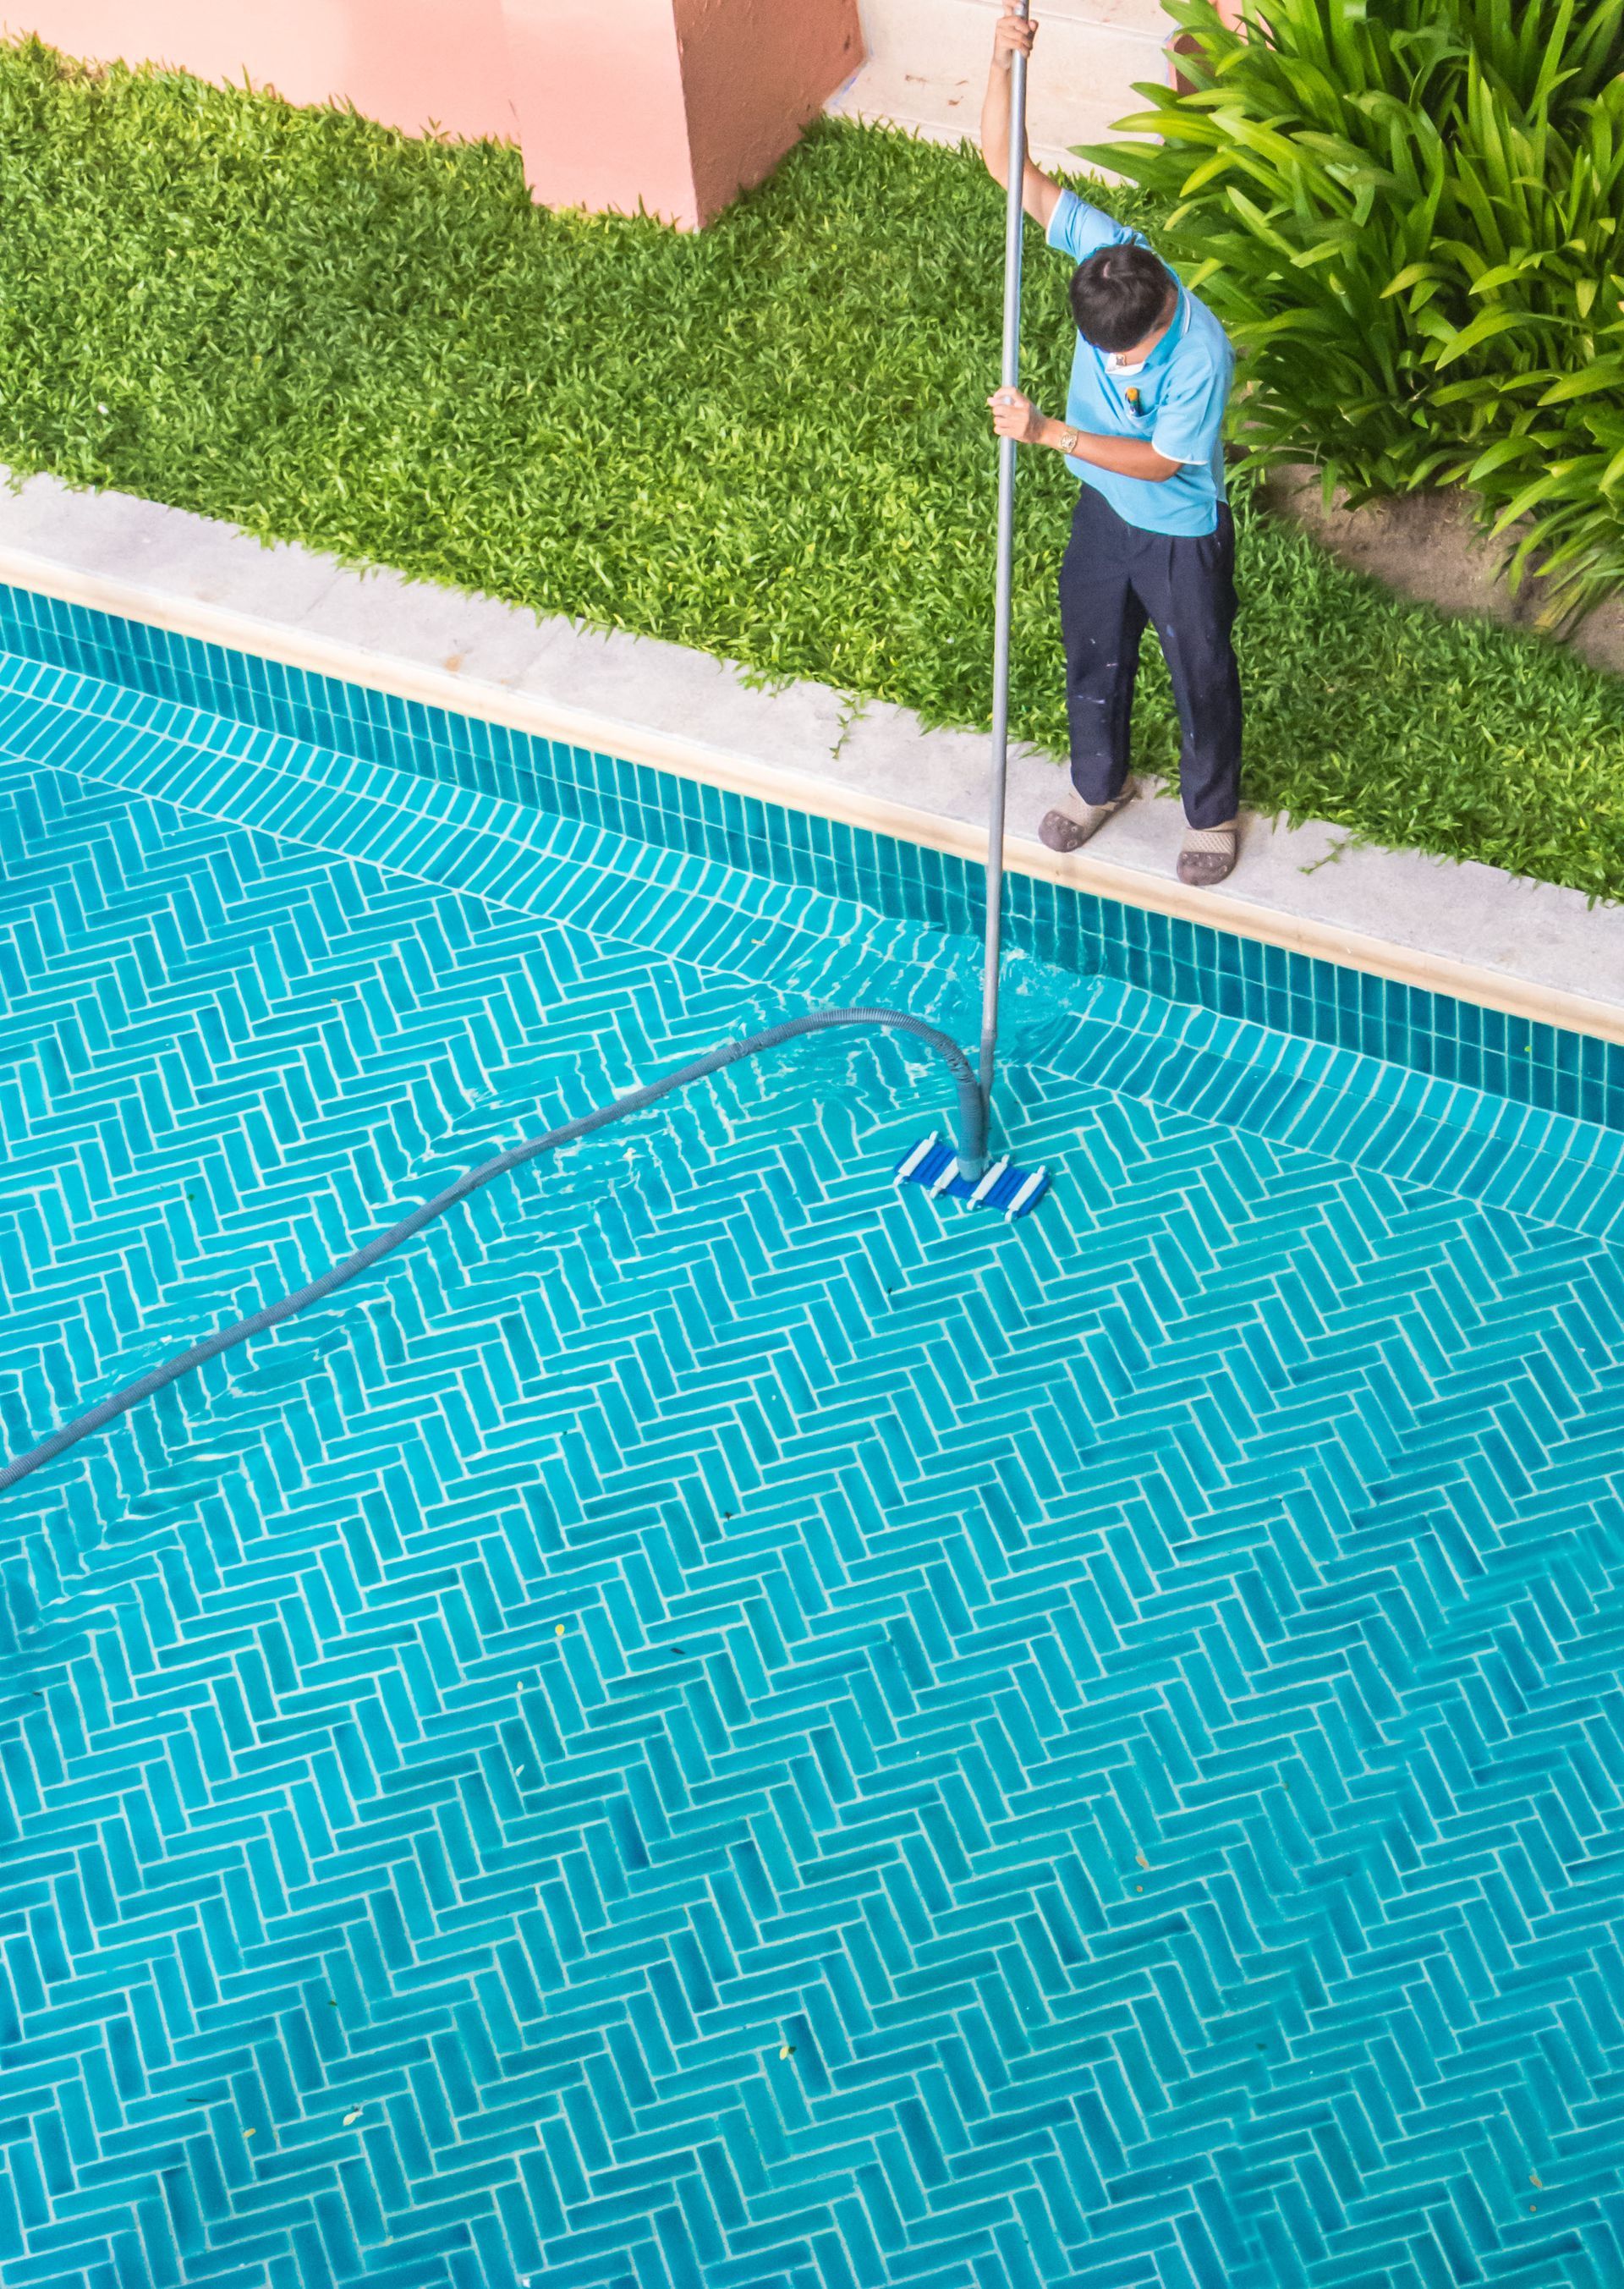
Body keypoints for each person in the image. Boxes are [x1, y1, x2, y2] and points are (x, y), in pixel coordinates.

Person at [982, 8, 1243, 887]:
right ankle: (1101, 783)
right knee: (1093, 646)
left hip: (1176, 528)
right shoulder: (1114, 259)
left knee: (1198, 668)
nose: (1110, 362)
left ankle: (1212, 813)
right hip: (1104, 514)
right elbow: (1008, 170)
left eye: (1120, 356)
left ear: (1159, 319)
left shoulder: (1200, 355)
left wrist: (1054, 434)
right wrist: (1000, 63)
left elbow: (1164, 464)